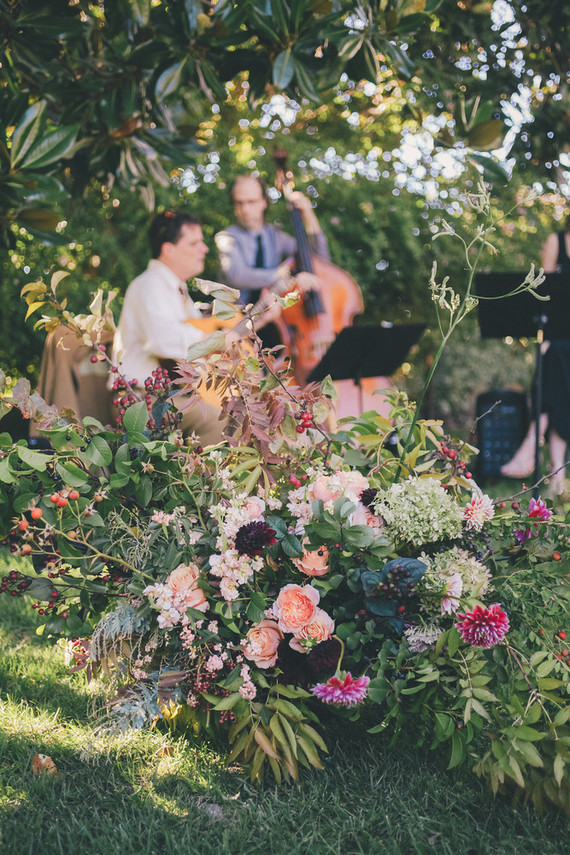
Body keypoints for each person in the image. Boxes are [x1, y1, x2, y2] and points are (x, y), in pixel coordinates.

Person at [110, 210, 247, 446]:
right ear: (168, 249)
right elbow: (163, 341)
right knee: (218, 420)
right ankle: (212, 482)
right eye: (194, 243)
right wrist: (217, 340)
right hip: (141, 400)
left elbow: (192, 345)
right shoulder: (151, 284)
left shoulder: (174, 289)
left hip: (170, 396)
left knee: (244, 410)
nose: (204, 249)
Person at [500, 221, 570, 495]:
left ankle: (532, 449)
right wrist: (547, 338)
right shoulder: (557, 240)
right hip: (561, 336)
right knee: (555, 365)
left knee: (555, 378)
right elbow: (545, 293)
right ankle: (557, 478)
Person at [215, 174, 329, 312]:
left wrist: (308, 214)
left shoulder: (276, 236)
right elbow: (237, 275)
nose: (245, 209)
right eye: (239, 203)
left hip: (271, 318)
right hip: (235, 321)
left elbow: (319, 259)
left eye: (251, 202)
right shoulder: (227, 237)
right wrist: (281, 276)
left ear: (264, 202)